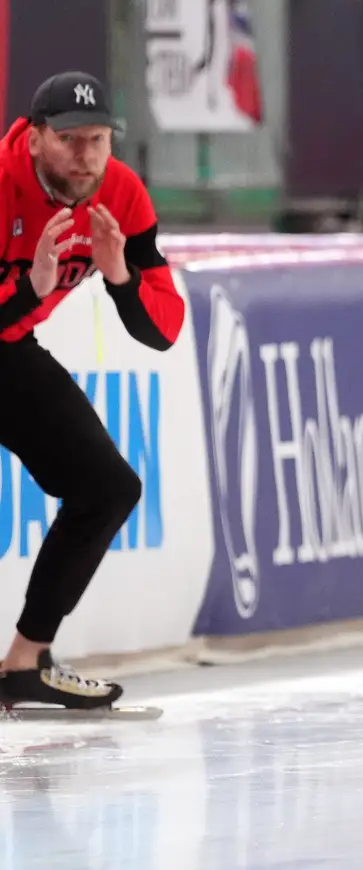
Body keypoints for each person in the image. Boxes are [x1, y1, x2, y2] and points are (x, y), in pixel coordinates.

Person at [0, 71, 185, 710]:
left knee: (107, 487)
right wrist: (32, 287)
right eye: (70, 140)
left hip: (6, 350)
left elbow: (163, 330)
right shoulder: (1, 184)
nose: (85, 158)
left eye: (98, 140)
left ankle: (24, 664)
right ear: (33, 139)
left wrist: (121, 279)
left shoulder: (120, 193)